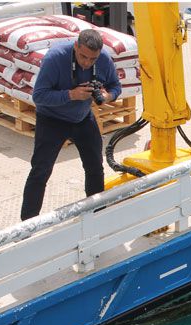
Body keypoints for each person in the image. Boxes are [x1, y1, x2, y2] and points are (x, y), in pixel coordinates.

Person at [21, 29, 121, 220]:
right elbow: (38, 96)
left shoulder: (103, 59)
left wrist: (108, 96)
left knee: (95, 167)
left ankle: (97, 216)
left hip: (82, 118)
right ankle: (27, 225)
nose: (87, 63)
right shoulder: (55, 58)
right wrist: (71, 95)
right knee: (40, 171)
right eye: (83, 57)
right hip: (52, 119)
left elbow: (116, 86)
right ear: (76, 46)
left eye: (92, 59)